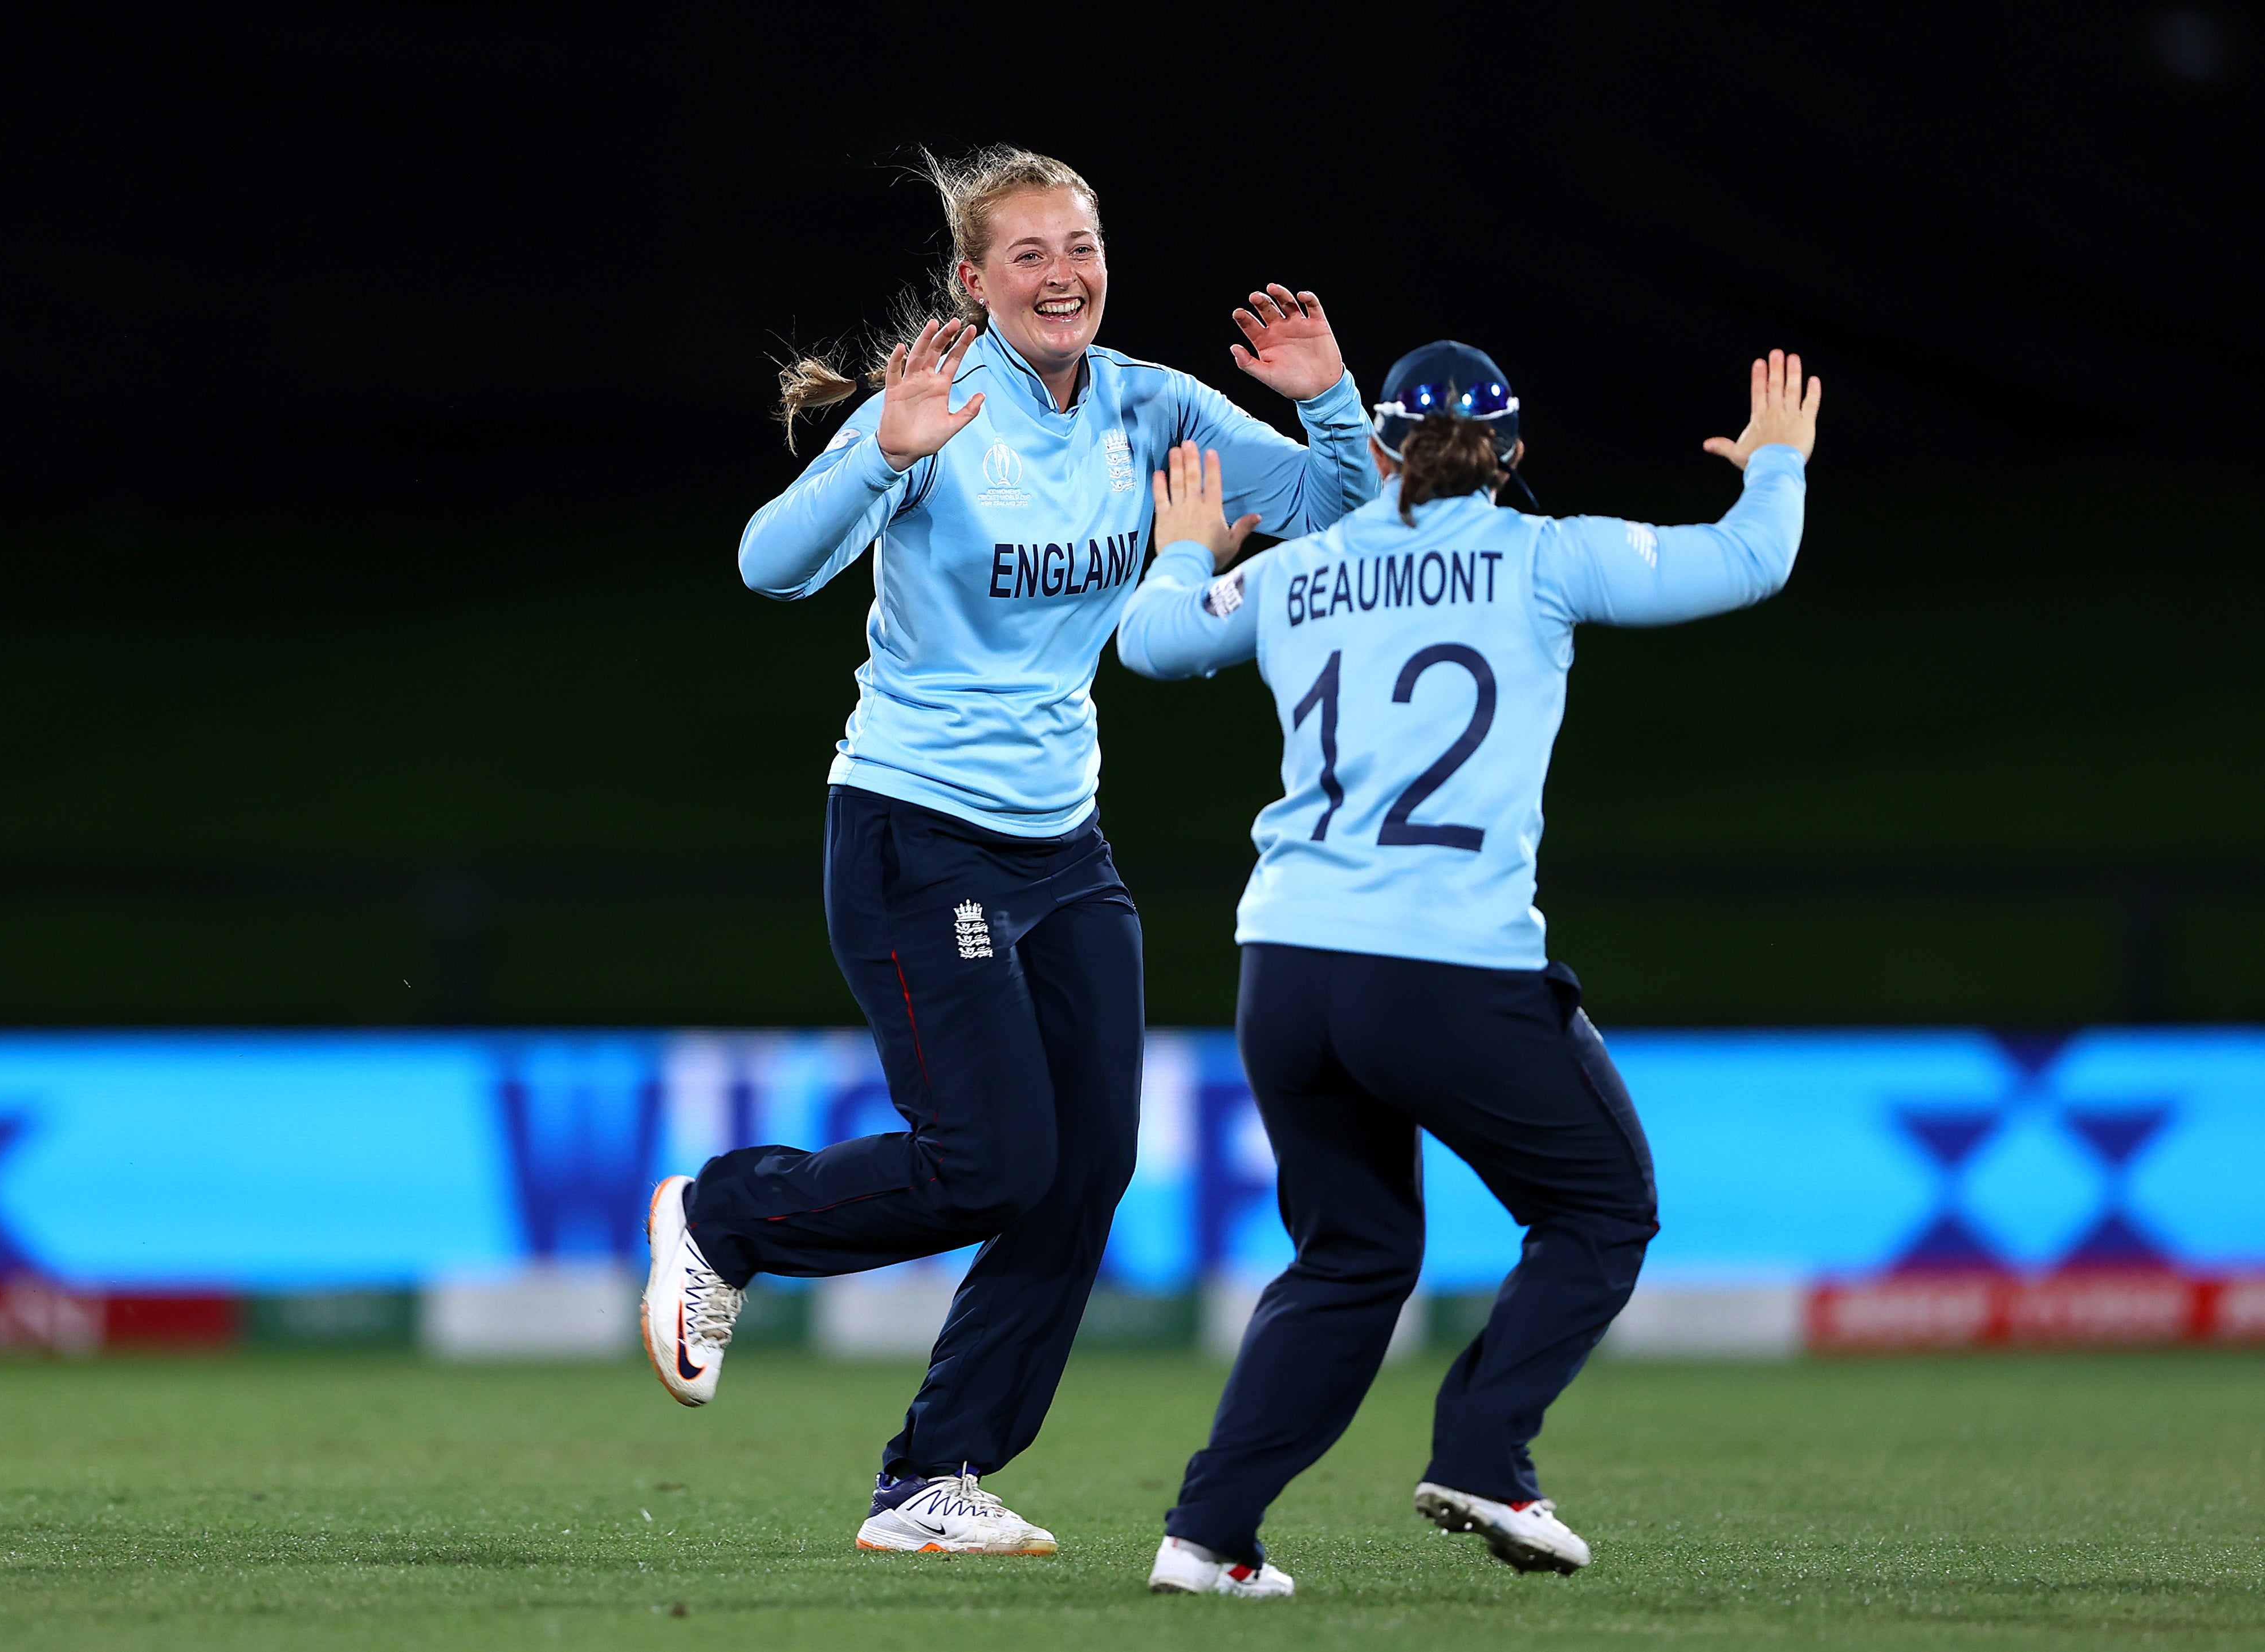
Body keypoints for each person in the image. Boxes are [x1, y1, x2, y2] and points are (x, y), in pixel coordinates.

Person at [637, 145, 1379, 1557]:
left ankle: (935, 1479)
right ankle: (727, 1215)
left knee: (1086, 1167)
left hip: (1063, 846)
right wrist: (878, 454)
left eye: (1081, 248)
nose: (1064, 276)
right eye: (1028, 255)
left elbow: (1342, 513)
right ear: (974, 282)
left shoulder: (1151, 403)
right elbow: (766, 567)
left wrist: (1329, 401)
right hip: (919, 832)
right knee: (987, 1162)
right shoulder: (939, 408)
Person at [1116, 342, 1819, 1597]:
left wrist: (1187, 549)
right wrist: (1774, 467)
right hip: (1443, 965)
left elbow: (1155, 644)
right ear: (1511, 454)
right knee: (1601, 1209)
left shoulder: (1302, 571)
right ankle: (1483, 1454)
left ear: (1381, 451)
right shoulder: (1543, 555)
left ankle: (1206, 1533)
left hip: (1285, 968)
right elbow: (1752, 558)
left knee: (1348, 1255)